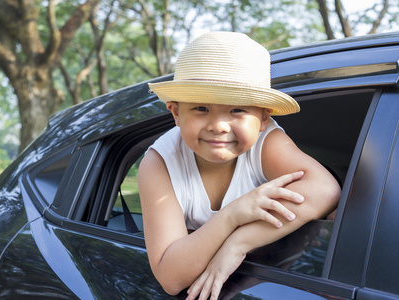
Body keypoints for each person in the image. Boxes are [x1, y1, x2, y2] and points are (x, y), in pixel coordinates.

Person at [138, 31, 341, 300]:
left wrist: (236, 243)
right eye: (200, 108)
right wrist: (232, 215)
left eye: (237, 110)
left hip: (268, 276)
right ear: (176, 113)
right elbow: (171, 278)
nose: (219, 126)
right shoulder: (160, 163)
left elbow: (325, 190)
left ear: (263, 118)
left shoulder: (265, 145)